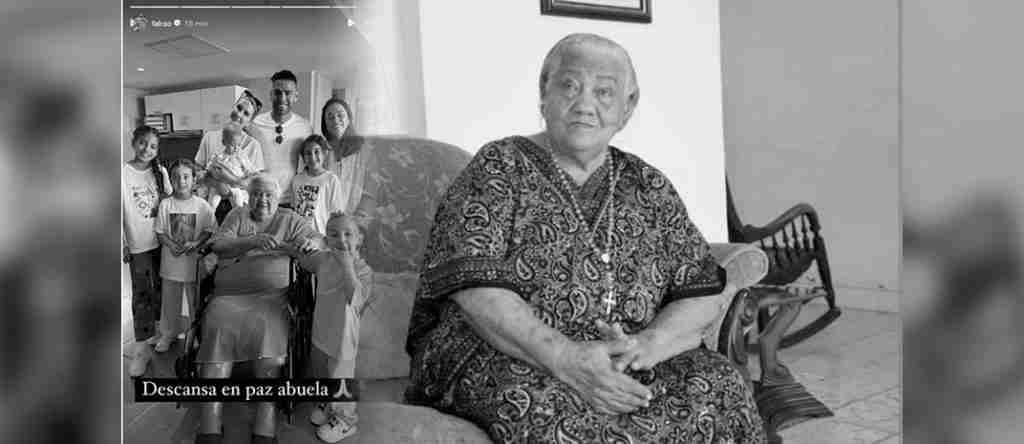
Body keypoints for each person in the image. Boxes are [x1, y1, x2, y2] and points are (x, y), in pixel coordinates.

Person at [404, 34, 766, 443]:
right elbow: (475, 292)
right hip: (509, 355)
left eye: (604, 92)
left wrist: (647, 344)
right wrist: (565, 356)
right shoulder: (499, 167)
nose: (584, 104)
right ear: (544, 93)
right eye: (569, 86)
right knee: (550, 415)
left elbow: (700, 290)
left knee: (721, 383)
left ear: (628, 107)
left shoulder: (649, 185)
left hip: (626, 359)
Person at [194, 174, 320, 444]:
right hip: (228, 295)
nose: (262, 199)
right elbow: (218, 245)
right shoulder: (237, 215)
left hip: (272, 296)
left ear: (278, 197)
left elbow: (315, 238)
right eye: (257, 194)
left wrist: (312, 244)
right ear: (249, 197)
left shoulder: (289, 219)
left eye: (268, 194)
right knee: (218, 326)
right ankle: (210, 417)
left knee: (270, 328)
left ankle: (266, 413)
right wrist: (253, 241)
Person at [298, 212, 372, 443]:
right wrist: (304, 245)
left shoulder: (363, 270)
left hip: (343, 339)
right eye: (333, 234)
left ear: (359, 239)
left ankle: (345, 420)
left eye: (348, 234)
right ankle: (326, 403)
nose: (341, 239)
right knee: (320, 371)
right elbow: (302, 259)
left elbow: (355, 298)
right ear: (327, 240)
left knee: (340, 379)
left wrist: (347, 265)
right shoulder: (323, 260)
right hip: (321, 331)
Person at [122, 125, 172, 376]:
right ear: (133, 142)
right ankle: (141, 350)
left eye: (153, 146)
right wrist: (122, 242)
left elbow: (172, 203)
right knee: (142, 296)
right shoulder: (122, 173)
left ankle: (164, 332)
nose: (147, 149)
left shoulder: (160, 172)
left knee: (164, 289)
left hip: (163, 242)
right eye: (143, 143)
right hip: (138, 244)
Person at [153, 159, 216, 353]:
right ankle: (168, 333)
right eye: (176, 177)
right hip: (171, 263)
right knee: (170, 300)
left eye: (186, 176)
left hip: (193, 264)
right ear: (171, 180)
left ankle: (193, 333)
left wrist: (196, 243)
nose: (181, 181)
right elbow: (160, 232)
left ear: (194, 180)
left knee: (194, 301)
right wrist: (171, 244)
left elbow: (210, 229)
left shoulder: (202, 205)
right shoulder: (166, 204)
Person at [194, 90, 266, 219]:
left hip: (240, 205)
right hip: (211, 203)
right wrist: (217, 184)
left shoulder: (254, 146)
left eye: (246, 114)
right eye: (239, 108)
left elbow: (256, 182)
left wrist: (230, 180)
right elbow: (198, 172)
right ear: (233, 106)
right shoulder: (209, 137)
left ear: (249, 121)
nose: (239, 114)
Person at [251, 70, 313, 206]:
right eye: (277, 92)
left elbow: (309, 164)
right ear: (271, 95)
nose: (282, 98)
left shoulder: (305, 127)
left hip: (290, 201)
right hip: (260, 199)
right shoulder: (255, 124)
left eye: (288, 93)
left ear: (296, 96)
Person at [319, 97, 375, 216]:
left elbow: (371, 189)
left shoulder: (365, 150)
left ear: (349, 119)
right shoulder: (320, 150)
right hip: (325, 218)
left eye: (340, 115)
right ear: (325, 124)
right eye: (330, 117)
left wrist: (359, 217)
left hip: (355, 218)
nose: (335, 120)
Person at [289, 135, 345, 235]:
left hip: (321, 235)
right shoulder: (297, 180)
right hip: (299, 234)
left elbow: (336, 213)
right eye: (308, 153)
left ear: (324, 154)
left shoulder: (331, 179)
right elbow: (294, 210)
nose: (312, 157)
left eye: (316, 152)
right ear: (303, 157)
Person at [202, 122, 260, 211]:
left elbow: (251, 171)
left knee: (238, 201)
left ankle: (238, 214)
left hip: (235, 187)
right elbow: (208, 170)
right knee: (212, 202)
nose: (235, 148)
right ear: (224, 142)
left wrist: (244, 178)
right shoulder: (218, 156)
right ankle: (211, 216)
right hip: (219, 185)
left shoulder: (241, 156)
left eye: (238, 145)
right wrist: (211, 171)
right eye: (232, 145)